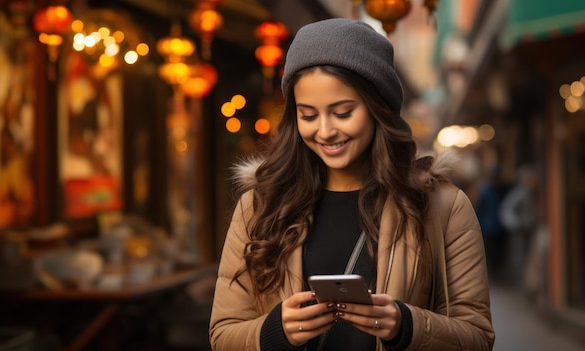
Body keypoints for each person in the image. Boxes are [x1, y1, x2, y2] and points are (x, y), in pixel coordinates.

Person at [209, 18, 494, 351]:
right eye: (308, 115)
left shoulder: (442, 206)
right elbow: (223, 334)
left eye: (342, 112)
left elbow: (477, 337)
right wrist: (274, 332)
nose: (326, 131)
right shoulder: (260, 205)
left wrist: (406, 325)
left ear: (379, 108)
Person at [499, 164, 538, 289]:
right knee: (519, 256)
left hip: (528, 229)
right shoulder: (520, 193)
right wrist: (517, 224)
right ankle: (520, 283)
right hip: (520, 231)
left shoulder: (530, 193)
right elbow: (507, 210)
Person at [474, 165, 510, 284]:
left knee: (499, 252)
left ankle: (497, 273)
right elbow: (480, 209)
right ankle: (492, 274)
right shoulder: (486, 192)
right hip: (488, 228)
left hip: (500, 228)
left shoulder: (503, 191)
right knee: (490, 252)